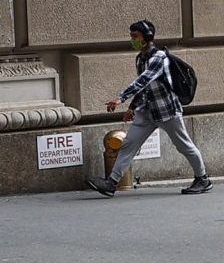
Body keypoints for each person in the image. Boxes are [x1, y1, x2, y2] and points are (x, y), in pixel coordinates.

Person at [86, 19, 210, 197]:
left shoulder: (159, 57)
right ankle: (111, 182)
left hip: (166, 110)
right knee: (128, 145)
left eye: (135, 36)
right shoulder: (140, 58)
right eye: (131, 36)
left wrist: (120, 98)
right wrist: (133, 106)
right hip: (147, 111)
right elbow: (144, 88)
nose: (132, 40)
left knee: (184, 146)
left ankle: (203, 178)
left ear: (147, 37)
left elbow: (144, 80)